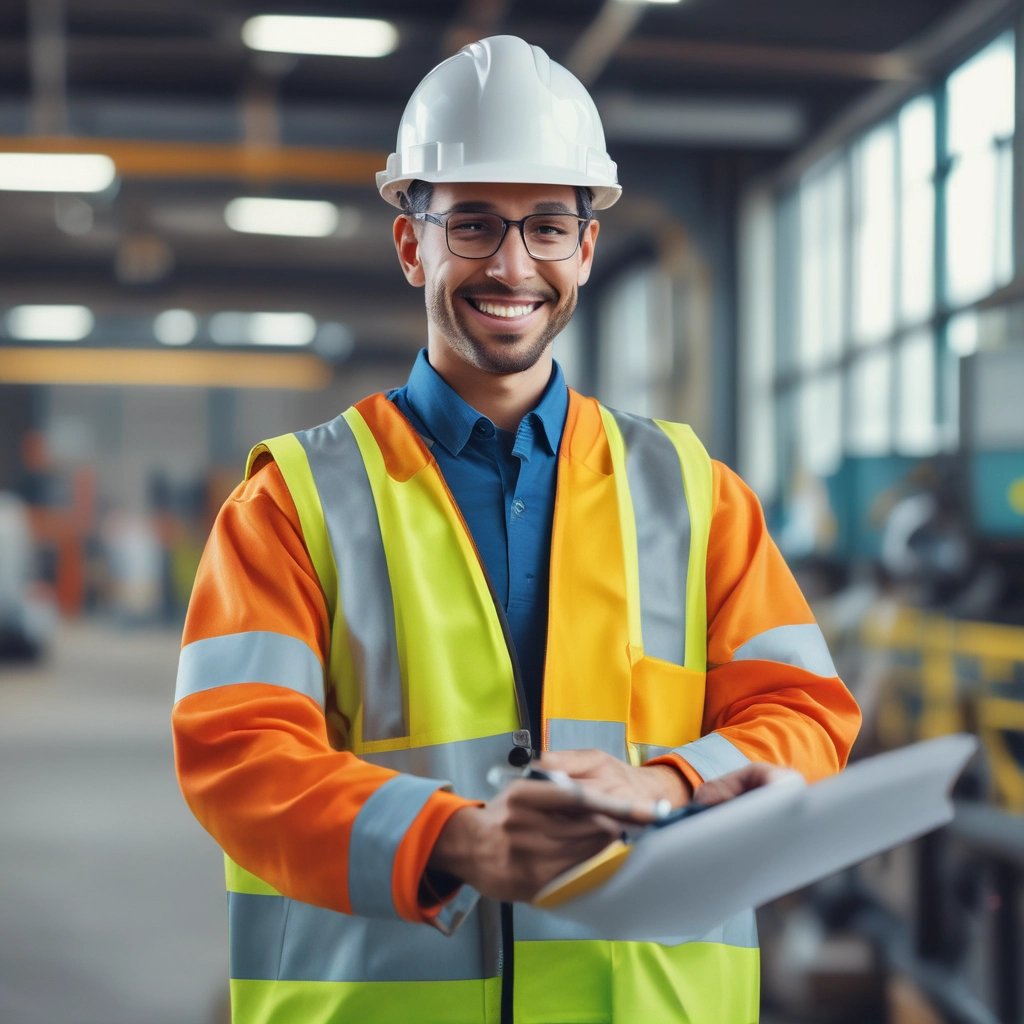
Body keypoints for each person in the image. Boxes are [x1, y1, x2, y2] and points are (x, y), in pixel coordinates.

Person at [172, 34, 860, 1024]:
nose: (511, 265)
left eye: (545, 226)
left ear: (584, 244)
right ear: (411, 241)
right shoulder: (292, 502)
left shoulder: (692, 490)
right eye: (474, 225)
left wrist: (662, 783)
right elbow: (238, 753)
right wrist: (450, 839)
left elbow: (804, 714)